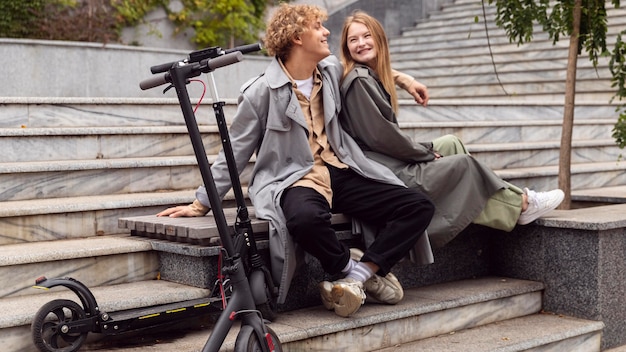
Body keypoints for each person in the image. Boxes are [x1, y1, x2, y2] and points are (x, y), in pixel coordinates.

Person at [157, 4, 435, 318]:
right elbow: (234, 151)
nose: (327, 32)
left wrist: (406, 81)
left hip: (340, 167)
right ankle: (346, 266)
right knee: (304, 220)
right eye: (318, 27)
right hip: (296, 177)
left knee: (418, 206)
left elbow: (361, 63)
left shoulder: (329, 70)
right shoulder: (260, 92)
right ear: (297, 36)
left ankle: (360, 276)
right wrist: (202, 203)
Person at [338, 11, 564, 248]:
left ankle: (517, 198)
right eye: (353, 40)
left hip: (385, 158)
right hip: (380, 170)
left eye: (366, 36)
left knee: (450, 143)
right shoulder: (359, 81)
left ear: (380, 38)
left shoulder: (370, 75)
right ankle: (522, 205)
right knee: (465, 165)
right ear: (346, 47)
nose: (361, 43)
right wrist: (423, 153)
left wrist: (404, 79)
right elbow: (381, 137)